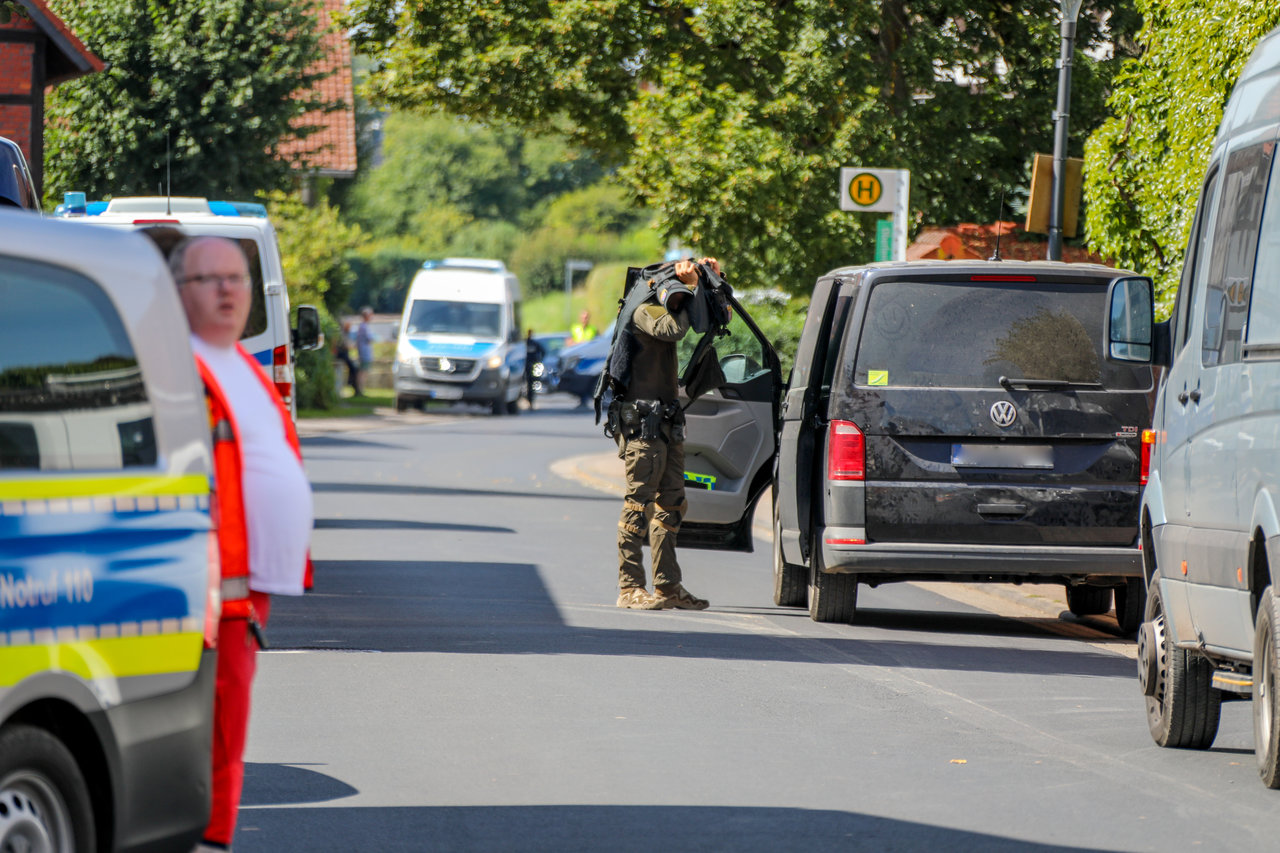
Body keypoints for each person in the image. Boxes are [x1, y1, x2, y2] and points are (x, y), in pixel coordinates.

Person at [170, 236, 314, 853]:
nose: (228, 290)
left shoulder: (246, 367)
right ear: (178, 292)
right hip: (206, 594)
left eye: (237, 278)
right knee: (208, 732)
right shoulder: (178, 369)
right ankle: (203, 839)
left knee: (229, 726)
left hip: (247, 589)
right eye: (211, 279)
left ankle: (215, 837)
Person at [610, 257, 721, 611]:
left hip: (668, 425)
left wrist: (708, 283)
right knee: (637, 505)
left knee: (671, 505)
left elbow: (714, 321)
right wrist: (687, 288)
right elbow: (672, 330)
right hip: (643, 427)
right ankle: (629, 588)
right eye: (669, 287)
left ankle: (668, 587)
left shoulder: (665, 307)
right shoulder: (641, 309)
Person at [336, 321, 362, 396]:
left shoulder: (345, 334)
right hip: (342, 354)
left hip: (345, 354)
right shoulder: (342, 334)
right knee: (354, 368)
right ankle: (351, 384)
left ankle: (353, 385)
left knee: (355, 368)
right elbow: (345, 345)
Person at [356, 306, 376, 391]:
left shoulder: (363, 326)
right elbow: (369, 338)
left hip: (364, 352)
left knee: (364, 371)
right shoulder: (364, 327)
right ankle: (360, 389)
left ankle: (360, 389)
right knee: (363, 372)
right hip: (364, 353)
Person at [524, 328, 545, 409]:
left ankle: (530, 400)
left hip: (530, 365)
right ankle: (529, 400)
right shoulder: (528, 343)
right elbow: (543, 352)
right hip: (528, 365)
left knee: (531, 383)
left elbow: (543, 351)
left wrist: (538, 360)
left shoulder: (530, 344)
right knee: (530, 383)